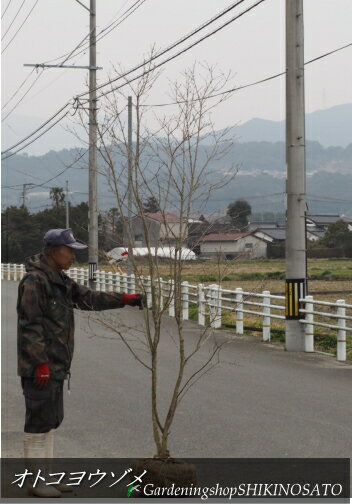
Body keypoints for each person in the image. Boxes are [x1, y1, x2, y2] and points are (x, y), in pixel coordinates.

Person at [17, 228, 145, 497]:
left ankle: (47, 477)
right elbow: (31, 325)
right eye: (69, 250)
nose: (73, 256)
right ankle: (34, 481)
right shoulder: (35, 281)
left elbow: (88, 298)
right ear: (53, 251)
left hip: (57, 364)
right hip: (40, 367)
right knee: (38, 422)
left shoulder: (60, 280)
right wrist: (39, 363)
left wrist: (125, 299)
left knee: (51, 421)